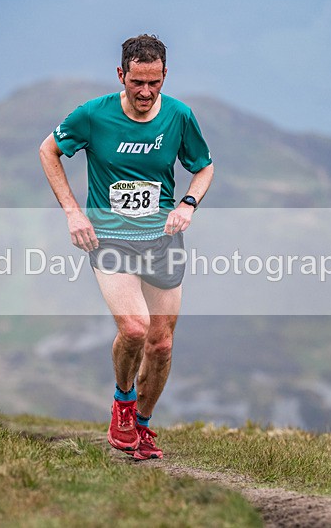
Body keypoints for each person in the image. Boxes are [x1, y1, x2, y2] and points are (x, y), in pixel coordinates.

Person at [39, 34, 214, 460]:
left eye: (155, 83)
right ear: (122, 75)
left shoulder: (179, 116)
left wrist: (189, 204)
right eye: (138, 82)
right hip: (111, 238)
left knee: (162, 343)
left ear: (165, 76)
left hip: (163, 240)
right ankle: (122, 401)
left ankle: (144, 425)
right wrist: (73, 212)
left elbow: (204, 166)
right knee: (134, 329)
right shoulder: (93, 115)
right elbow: (48, 150)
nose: (146, 92)